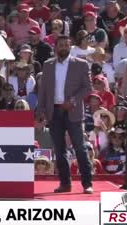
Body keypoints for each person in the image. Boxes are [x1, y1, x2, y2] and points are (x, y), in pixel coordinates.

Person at [36, 35, 93, 194]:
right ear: (55, 47)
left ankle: (87, 183)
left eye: (66, 45)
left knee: (80, 148)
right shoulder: (48, 65)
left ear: (70, 46)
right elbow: (43, 91)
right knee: (59, 149)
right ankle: (65, 183)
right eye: (60, 45)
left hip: (72, 111)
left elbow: (88, 88)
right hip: (53, 111)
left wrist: (73, 100)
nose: (63, 47)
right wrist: (40, 110)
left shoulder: (81, 64)